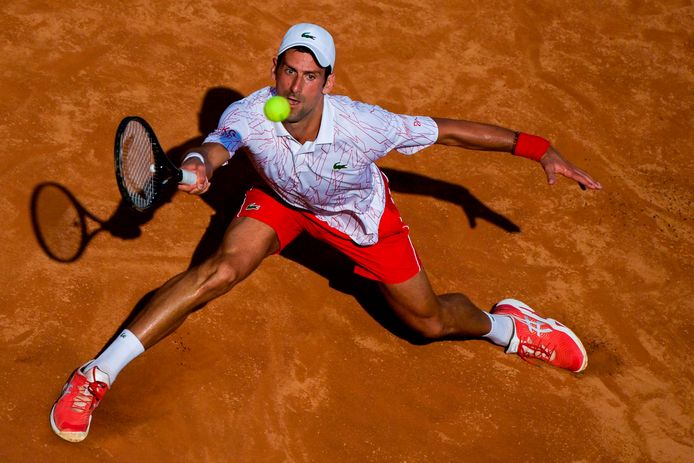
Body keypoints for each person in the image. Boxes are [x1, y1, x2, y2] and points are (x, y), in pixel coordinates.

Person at [50, 23, 602, 442]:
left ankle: (506, 327)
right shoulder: (254, 113)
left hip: (361, 221)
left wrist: (537, 148)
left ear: (328, 82)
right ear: (275, 71)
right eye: (288, 72)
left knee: (428, 322)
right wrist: (199, 164)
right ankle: (95, 374)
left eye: (309, 76)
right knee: (219, 271)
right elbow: (218, 145)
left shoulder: (363, 125)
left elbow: (448, 132)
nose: (295, 86)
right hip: (281, 204)